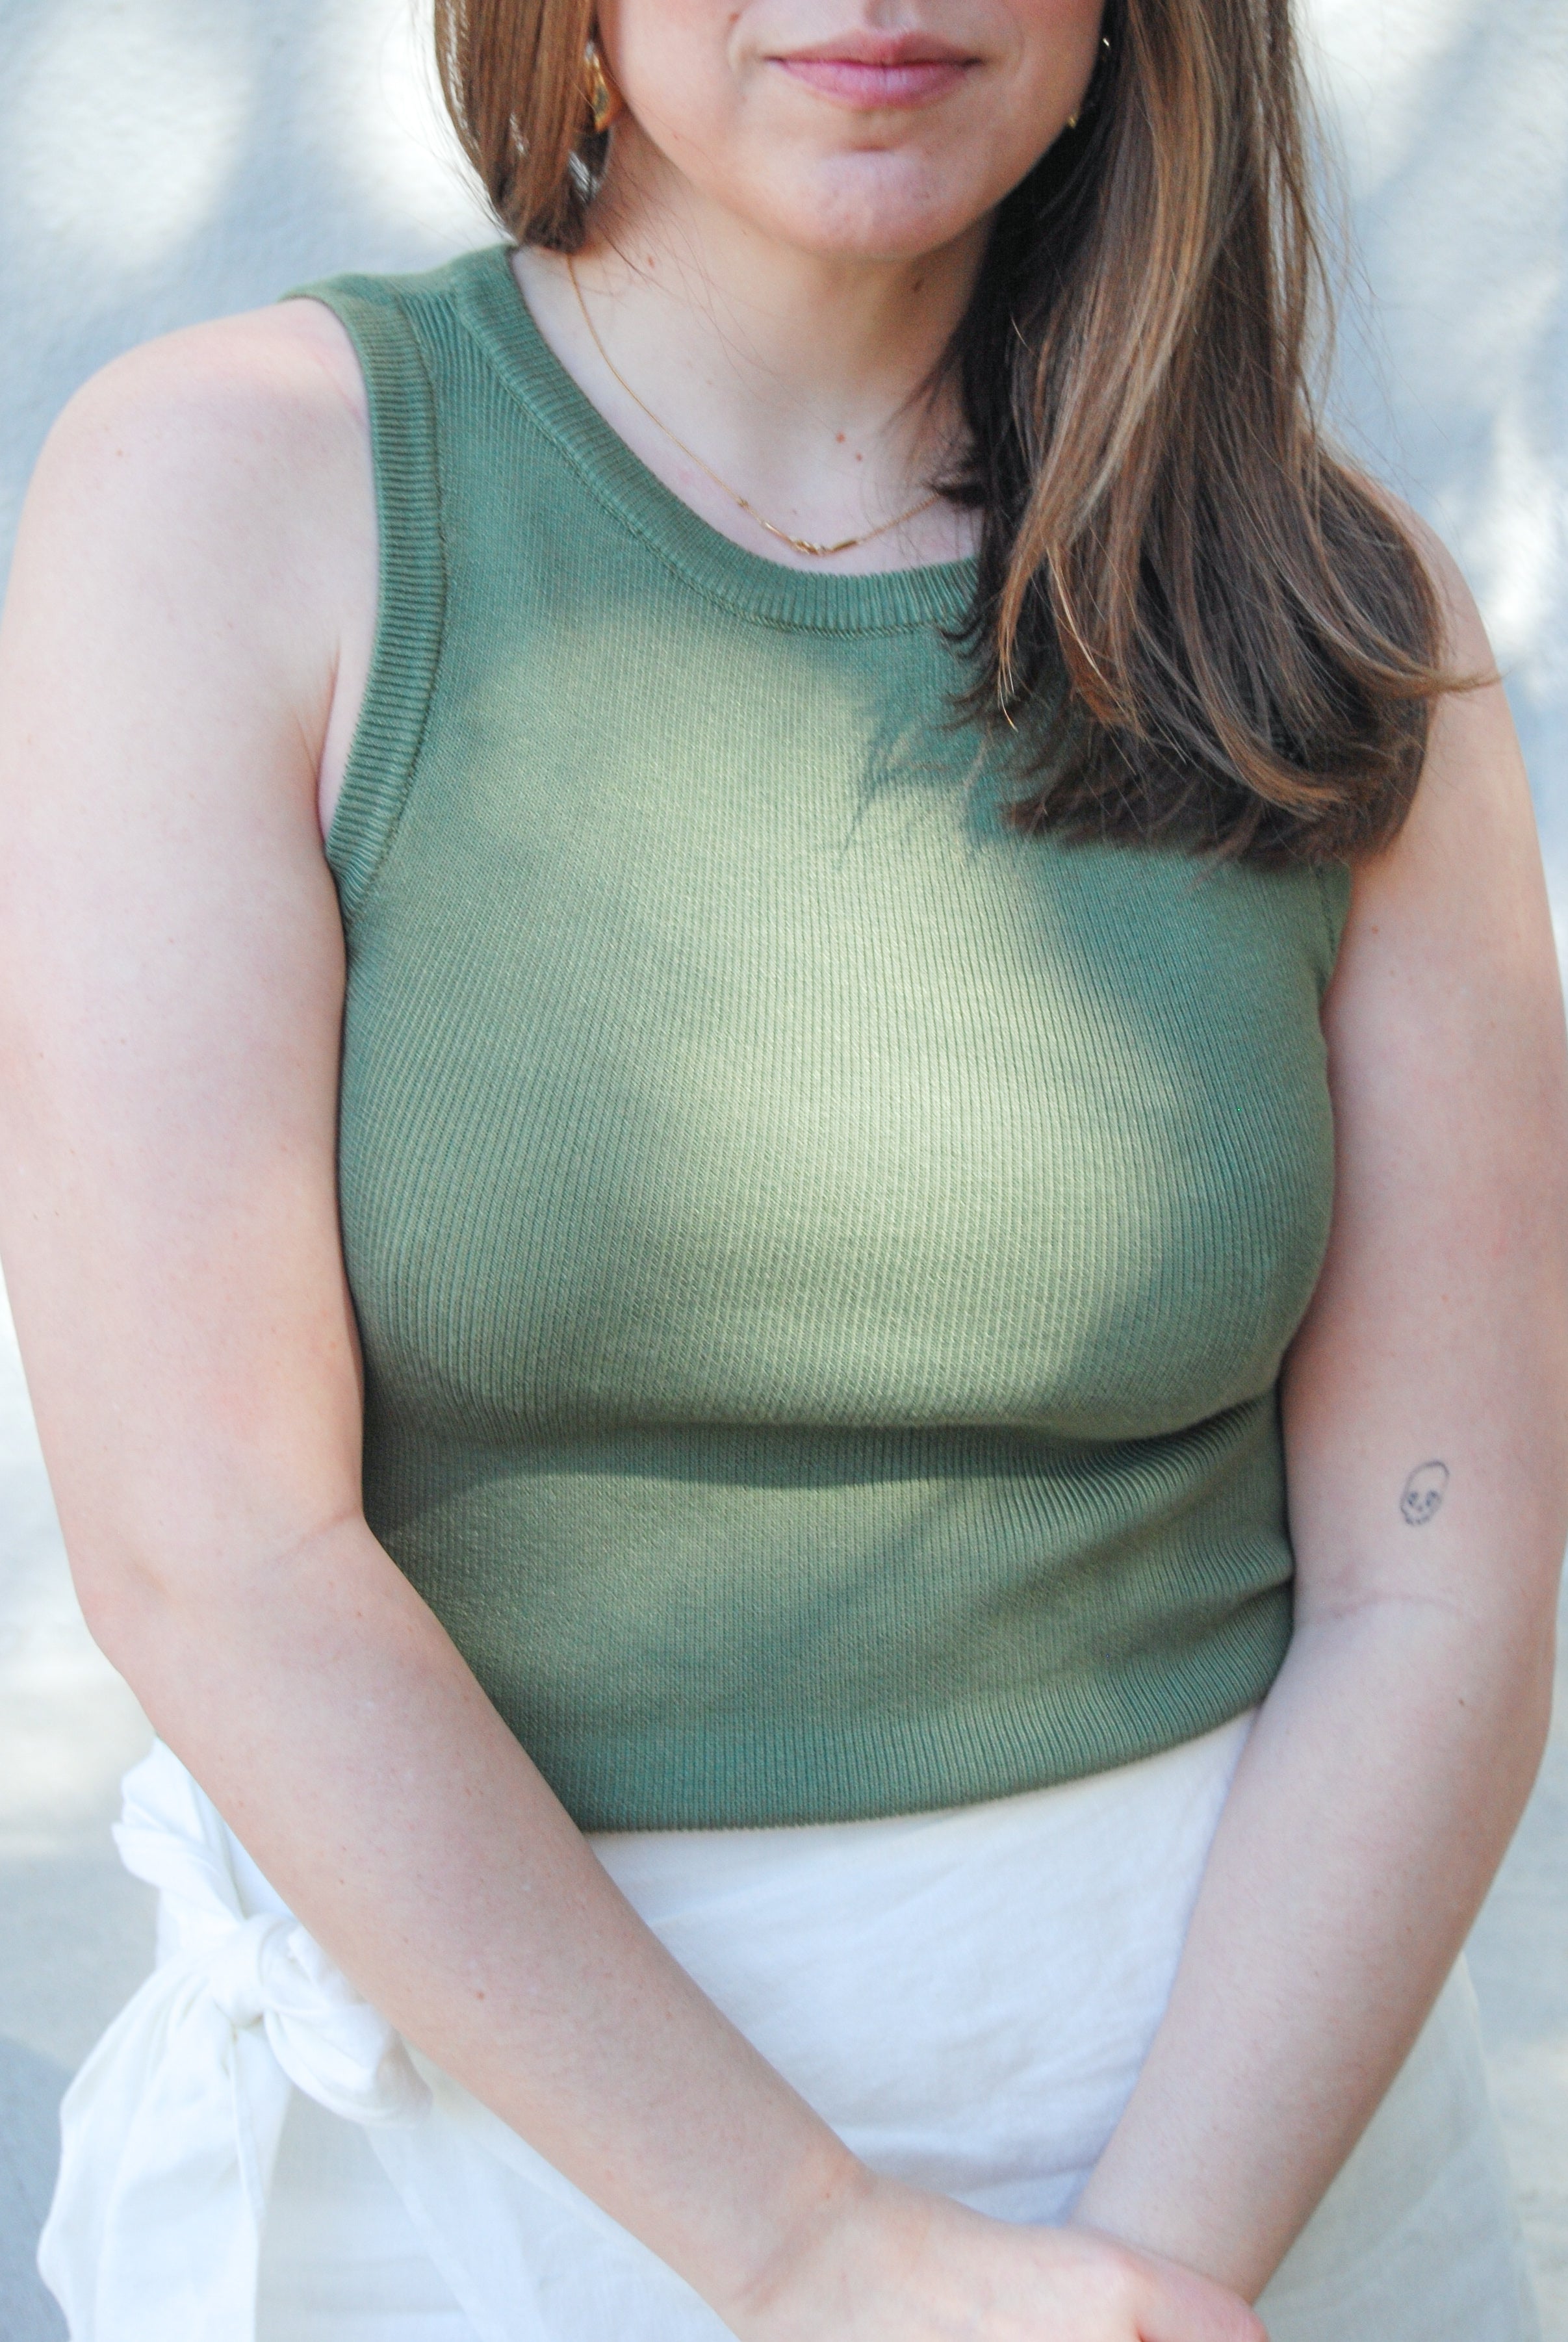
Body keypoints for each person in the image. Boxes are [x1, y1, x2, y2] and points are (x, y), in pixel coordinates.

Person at [1, 1, 1564, 2336]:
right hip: (509, 2165)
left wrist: (1155, 2279)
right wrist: (819, 2254)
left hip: (1247, 2148)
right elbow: (213, 1544)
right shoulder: (231, 491)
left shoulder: (1329, 610)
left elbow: (1438, 1578)